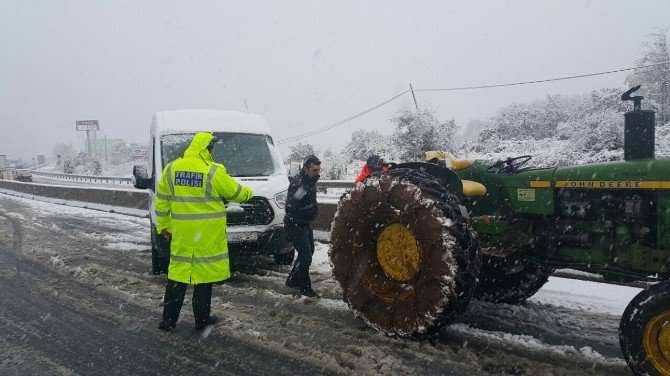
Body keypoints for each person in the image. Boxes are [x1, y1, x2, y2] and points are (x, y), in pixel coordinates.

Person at [156, 132, 253, 332]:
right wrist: (249, 192)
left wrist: (164, 227)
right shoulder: (212, 171)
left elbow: (162, 202)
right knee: (203, 279)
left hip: (182, 235)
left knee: (177, 278)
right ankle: (201, 320)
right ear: (208, 148)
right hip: (207, 236)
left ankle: (168, 321)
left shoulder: (171, 168)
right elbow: (236, 193)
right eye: (213, 147)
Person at [284, 155, 321, 298]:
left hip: (303, 223)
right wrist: (308, 209)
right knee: (305, 255)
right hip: (295, 224)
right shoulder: (300, 184)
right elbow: (292, 204)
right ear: (305, 168)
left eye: (318, 170)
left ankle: (293, 280)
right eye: (314, 170)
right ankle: (305, 288)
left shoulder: (309, 180)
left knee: (309, 251)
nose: (317, 173)